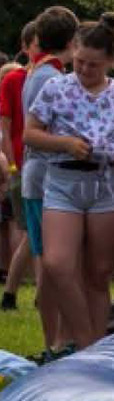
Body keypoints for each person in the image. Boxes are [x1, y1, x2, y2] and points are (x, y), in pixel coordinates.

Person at [24, 14, 114, 349]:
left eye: (93, 65)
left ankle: (95, 347)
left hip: (105, 185)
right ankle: (83, 341)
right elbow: (30, 133)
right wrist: (65, 143)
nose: (83, 70)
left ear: (111, 61)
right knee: (58, 264)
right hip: (62, 181)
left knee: (98, 272)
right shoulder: (55, 88)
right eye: (78, 62)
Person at [15, 6, 78, 350]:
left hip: (35, 176)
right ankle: (56, 340)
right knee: (51, 263)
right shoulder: (52, 78)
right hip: (45, 177)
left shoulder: (37, 72)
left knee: (46, 259)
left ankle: (54, 340)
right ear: (72, 41)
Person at [0, 23, 33, 311]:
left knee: (36, 233)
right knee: (31, 232)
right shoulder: (13, 80)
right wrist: (12, 165)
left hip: (44, 162)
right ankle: (11, 292)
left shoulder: (56, 77)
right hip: (23, 165)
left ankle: (20, 293)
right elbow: (7, 125)